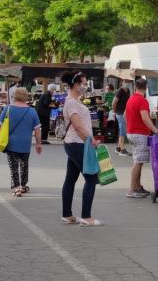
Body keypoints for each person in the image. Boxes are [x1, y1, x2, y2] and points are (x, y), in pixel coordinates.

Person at [59, 70, 103, 227]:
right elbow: (77, 125)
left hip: (74, 143)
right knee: (91, 178)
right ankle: (86, 217)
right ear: (76, 85)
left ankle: (67, 214)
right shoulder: (71, 102)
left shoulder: (74, 101)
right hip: (78, 143)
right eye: (84, 83)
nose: (85, 86)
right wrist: (91, 140)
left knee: (70, 179)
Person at [125, 77, 158, 198]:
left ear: (135, 87)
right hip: (139, 134)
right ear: (146, 88)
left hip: (131, 132)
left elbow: (125, 115)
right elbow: (145, 117)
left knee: (138, 160)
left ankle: (138, 187)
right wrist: (156, 131)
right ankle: (131, 189)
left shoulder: (131, 99)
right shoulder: (142, 101)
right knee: (138, 161)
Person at [0, 88, 43, 197]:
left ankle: (16, 188)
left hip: (11, 143)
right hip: (25, 144)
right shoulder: (32, 111)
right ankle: (23, 186)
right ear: (26, 96)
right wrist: (38, 144)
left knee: (13, 166)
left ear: (14, 96)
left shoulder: (8, 109)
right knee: (24, 165)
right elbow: (37, 130)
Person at [111, 86, 130, 155]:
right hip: (119, 113)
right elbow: (113, 103)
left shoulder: (128, 90)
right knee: (122, 130)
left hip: (124, 113)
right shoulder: (120, 90)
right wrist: (114, 112)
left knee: (122, 130)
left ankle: (118, 148)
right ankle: (122, 149)